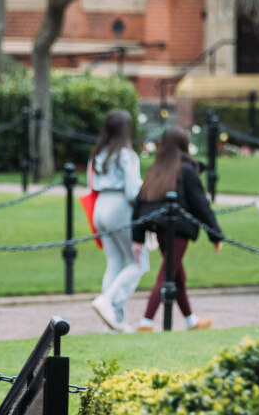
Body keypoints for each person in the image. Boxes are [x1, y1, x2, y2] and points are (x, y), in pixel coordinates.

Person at [130, 127, 222, 332]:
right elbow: (201, 205)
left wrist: (138, 235)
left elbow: (140, 204)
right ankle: (146, 321)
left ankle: (191, 321)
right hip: (177, 229)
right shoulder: (186, 169)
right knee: (167, 274)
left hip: (157, 227)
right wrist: (215, 235)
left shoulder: (156, 169)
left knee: (177, 275)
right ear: (184, 144)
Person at [87, 109, 146, 332]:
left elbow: (89, 184)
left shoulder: (98, 154)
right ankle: (109, 303)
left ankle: (113, 323)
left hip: (100, 205)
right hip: (120, 206)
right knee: (139, 263)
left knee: (114, 262)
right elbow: (132, 192)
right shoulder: (125, 155)